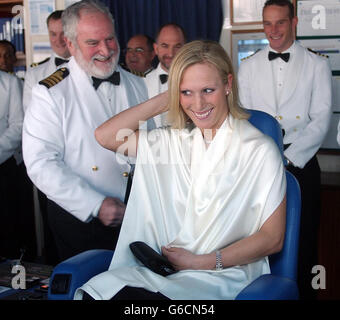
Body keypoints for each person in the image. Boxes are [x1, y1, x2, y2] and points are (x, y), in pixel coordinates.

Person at [74, 40, 287, 300]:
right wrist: (168, 98)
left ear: (228, 84)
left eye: (208, 90)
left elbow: (272, 238)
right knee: (98, 293)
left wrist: (201, 262)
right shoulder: (171, 141)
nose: (198, 104)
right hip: (165, 271)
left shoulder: (259, 150)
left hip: (223, 274)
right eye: (187, 92)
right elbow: (106, 136)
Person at [22, 0, 149, 263]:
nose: (105, 49)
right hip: (81, 219)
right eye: (93, 42)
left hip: (135, 216)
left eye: (110, 39)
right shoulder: (50, 92)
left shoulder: (137, 84)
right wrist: (95, 204)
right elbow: (40, 163)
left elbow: (148, 146)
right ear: (70, 44)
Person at [237, 0, 332, 300]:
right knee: (258, 242)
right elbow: (244, 118)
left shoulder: (318, 64)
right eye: (267, 23)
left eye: (280, 22)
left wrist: (288, 158)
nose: (273, 30)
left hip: (301, 165)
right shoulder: (248, 65)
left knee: (303, 241)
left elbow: (321, 119)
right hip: (259, 167)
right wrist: (266, 158)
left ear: (294, 23)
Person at [23, 10, 71, 112]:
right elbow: (30, 114)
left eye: (63, 34)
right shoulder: (34, 74)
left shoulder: (89, 68)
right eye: (53, 34)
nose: (58, 40)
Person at [144, 23, 186, 127]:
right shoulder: (142, 82)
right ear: (156, 49)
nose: (171, 53)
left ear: (185, 49)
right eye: (165, 46)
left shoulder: (198, 81)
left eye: (177, 46)